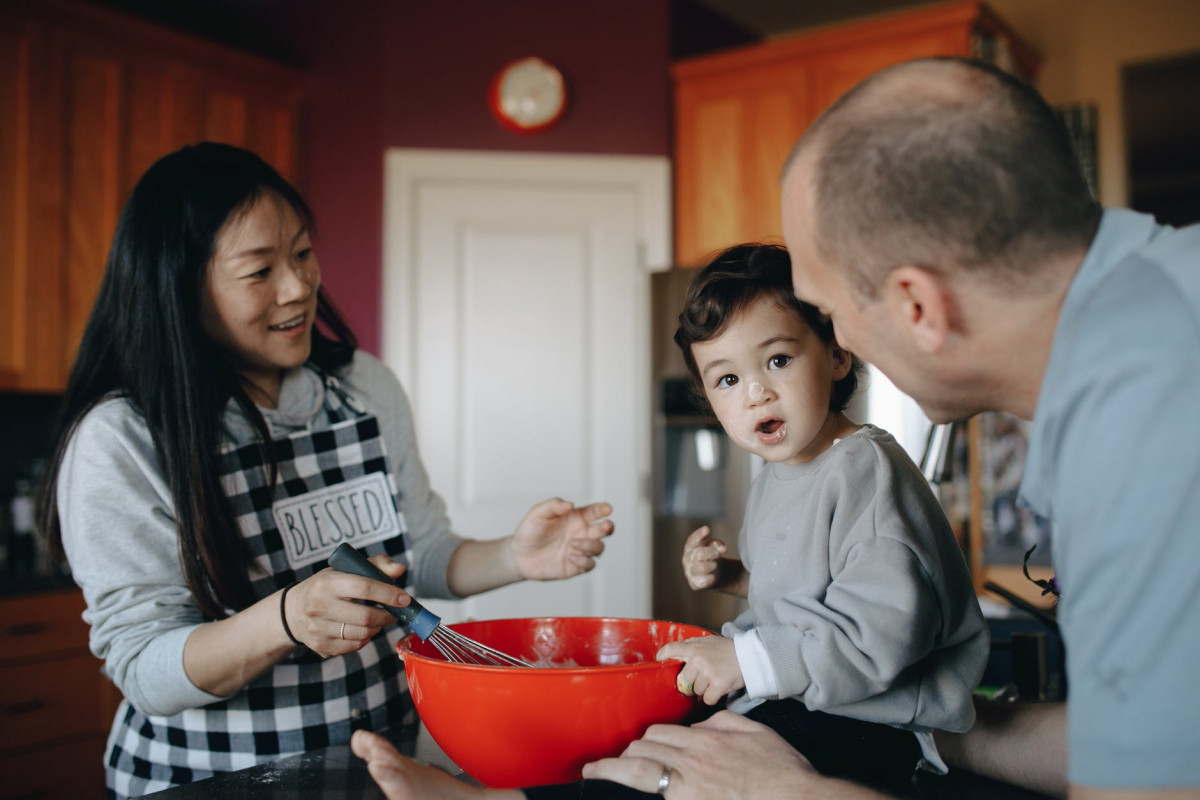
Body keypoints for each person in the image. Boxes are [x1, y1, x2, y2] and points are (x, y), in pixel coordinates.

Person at [358, 55, 1200, 799]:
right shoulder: (1151, 314)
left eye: (827, 314)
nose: (836, 346)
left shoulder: (1144, 434)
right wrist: (943, 729)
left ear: (914, 306)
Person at [36, 142, 615, 799]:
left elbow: (417, 557)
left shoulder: (362, 387)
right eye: (259, 271)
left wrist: (514, 556)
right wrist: (286, 619)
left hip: (371, 773)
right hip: (201, 782)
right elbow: (145, 669)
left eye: (303, 253)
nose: (298, 286)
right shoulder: (124, 437)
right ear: (179, 285)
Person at [660, 242, 987, 792]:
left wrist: (745, 661)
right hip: (823, 699)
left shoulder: (866, 472)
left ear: (837, 356)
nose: (757, 392)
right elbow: (814, 590)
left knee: (691, 771)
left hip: (883, 720)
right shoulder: (777, 477)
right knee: (661, 742)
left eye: (778, 360)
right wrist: (736, 577)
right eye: (727, 379)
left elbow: (876, 634)